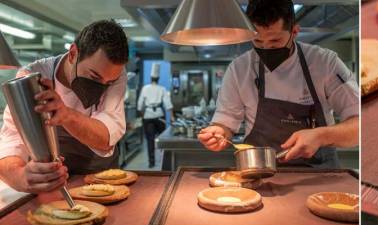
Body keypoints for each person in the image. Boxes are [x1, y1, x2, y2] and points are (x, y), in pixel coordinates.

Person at [197, 0, 359, 167]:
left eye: (275, 41)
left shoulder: (325, 63)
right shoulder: (239, 69)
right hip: (259, 171)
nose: (266, 49)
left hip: (319, 174)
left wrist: (321, 136)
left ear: (294, 31)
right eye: (258, 42)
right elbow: (226, 122)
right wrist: (219, 133)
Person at [0, 20, 129, 194]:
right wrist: (22, 178)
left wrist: (66, 115)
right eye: (94, 76)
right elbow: (11, 142)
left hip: (101, 177)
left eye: (109, 82)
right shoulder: (33, 78)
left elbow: (106, 136)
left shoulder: (116, 74)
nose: (101, 86)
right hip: (50, 185)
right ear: (73, 54)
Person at [137, 63, 173, 168]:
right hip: (159, 116)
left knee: (150, 140)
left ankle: (151, 162)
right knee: (162, 139)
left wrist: (143, 115)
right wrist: (172, 116)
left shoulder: (145, 88)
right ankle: (164, 160)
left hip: (148, 117)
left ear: (150, 78)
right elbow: (168, 104)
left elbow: (140, 105)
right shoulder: (162, 88)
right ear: (158, 79)